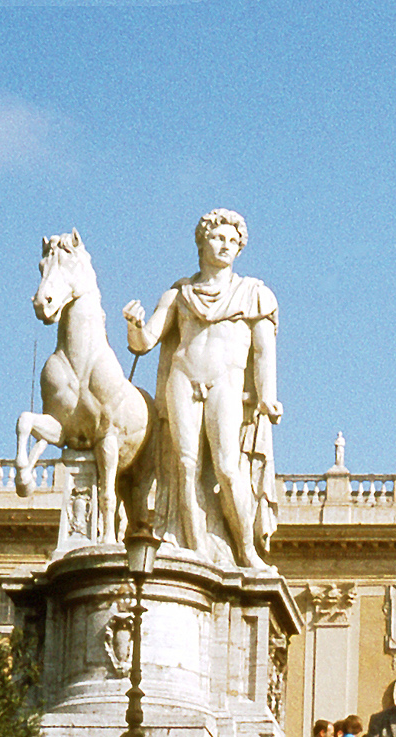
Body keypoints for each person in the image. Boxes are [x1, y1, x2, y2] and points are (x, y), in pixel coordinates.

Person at [123, 208, 281, 568]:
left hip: (226, 381)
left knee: (227, 467)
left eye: (232, 240)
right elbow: (144, 342)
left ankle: (245, 549)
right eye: (218, 237)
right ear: (202, 242)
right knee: (183, 466)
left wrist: (267, 396)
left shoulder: (254, 293)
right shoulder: (180, 292)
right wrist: (134, 324)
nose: (225, 245)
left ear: (239, 248)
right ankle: (195, 550)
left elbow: (263, 351)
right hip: (183, 377)